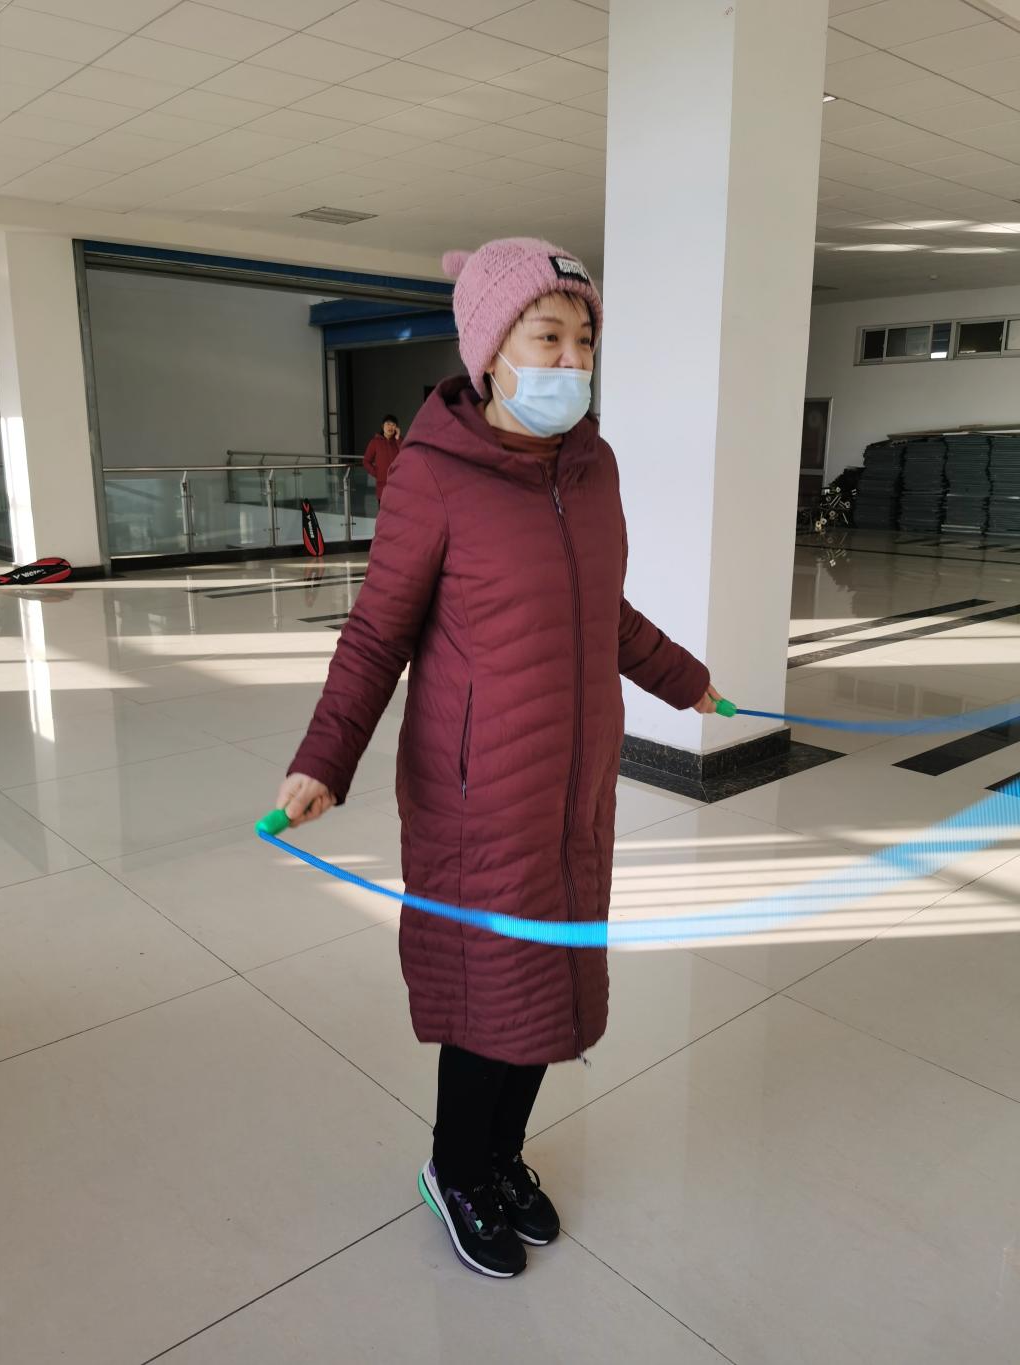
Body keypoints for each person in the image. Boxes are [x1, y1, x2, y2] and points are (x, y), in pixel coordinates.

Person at [275, 238, 720, 1280]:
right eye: (547, 337)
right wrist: (324, 757)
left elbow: (602, 610)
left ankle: (503, 1156)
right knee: (491, 1000)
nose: (571, 360)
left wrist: (685, 679)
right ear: (490, 351)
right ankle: (455, 1168)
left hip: (575, 789)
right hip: (478, 795)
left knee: (552, 990)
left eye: (584, 340)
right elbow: (376, 635)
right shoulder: (435, 478)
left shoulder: (593, 467)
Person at [363, 415, 401, 505]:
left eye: (393, 425)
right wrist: (377, 473)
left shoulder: (398, 441)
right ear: (383, 426)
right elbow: (366, 461)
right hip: (382, 486)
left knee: (398, 512)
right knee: (384, 512)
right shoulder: (375, 442)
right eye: (388, 424)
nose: (390, 427)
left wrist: (398, 438)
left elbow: (406, 455)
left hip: (398, 485)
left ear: (396, 428)